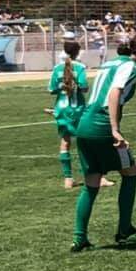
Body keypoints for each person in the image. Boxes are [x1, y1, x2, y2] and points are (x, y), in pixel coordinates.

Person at [70, 33, 136, 252]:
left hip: (85, 126)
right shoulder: (131, 67)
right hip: (102, 128)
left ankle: (79, 238)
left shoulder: (111, 63)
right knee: (130, 173)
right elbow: (114, 93)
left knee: (92, 182)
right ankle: (124, 229)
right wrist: (115, 129)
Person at [48, 41, 89, 189]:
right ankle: (93, 176)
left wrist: (62, 87)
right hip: (77, 109)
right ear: (77, 52)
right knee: (85, 142)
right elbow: (84, 87)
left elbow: (51, 89)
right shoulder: (80, 67)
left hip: (61, 109)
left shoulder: (57, 68)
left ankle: (68, 179)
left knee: (65, 142)